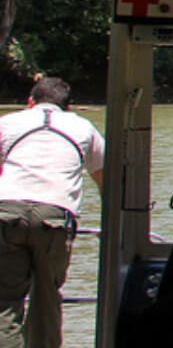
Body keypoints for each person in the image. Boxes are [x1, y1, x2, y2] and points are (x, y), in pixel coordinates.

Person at [0, 77, 105, 348]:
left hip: (7, 210)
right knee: (47, 297)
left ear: (29, 102)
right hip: (55, 216)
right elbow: (107, 181)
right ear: (68, 106)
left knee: (5, 300)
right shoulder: (83, 127)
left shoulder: (8, 122)